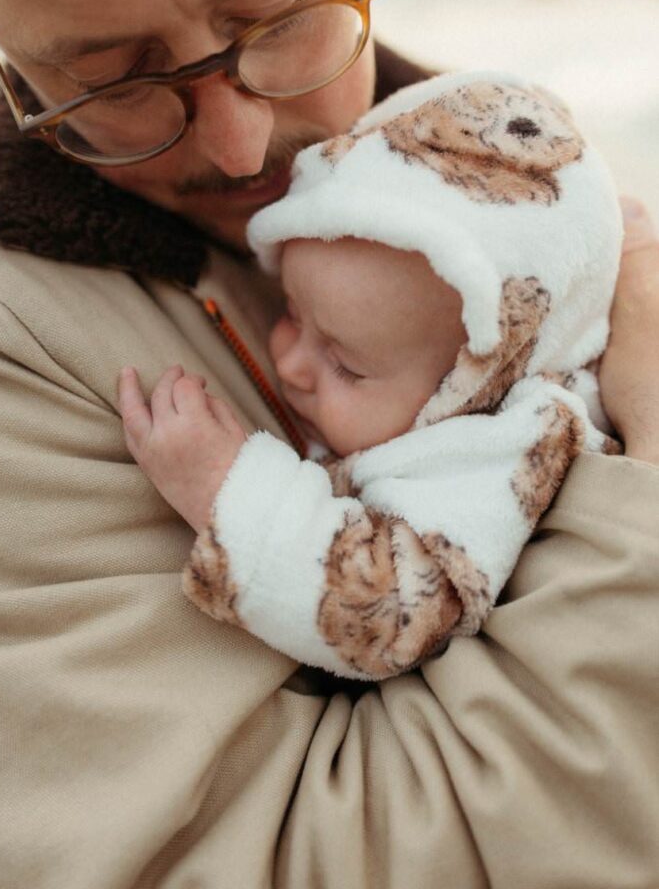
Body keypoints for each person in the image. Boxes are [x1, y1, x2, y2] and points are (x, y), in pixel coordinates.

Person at [0, 0, 657, 887]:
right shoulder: (10, 355)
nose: (240, 146)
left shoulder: (522, 216)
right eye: (112, 80)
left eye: (284, 12)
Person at [118, 72, 623, 681]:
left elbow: (390, 618)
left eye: (346, 366)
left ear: (467, 392)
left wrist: (228, 492)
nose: (291, 364)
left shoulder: (503, 447)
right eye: (292, 312)